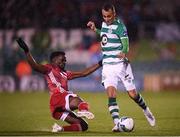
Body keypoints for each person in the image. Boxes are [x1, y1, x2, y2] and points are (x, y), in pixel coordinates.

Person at [87, 3, 155, 132]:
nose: (106, 19)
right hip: (107, 65)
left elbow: (126, 44)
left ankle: (146, 110)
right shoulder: (103, 24)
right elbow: (105, 36)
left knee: (133, 94)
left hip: (120, 65)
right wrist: (95, 29)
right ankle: (118, 123)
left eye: (109, 16)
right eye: (104, 16)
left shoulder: (120, 27)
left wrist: (124, 51)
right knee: (111, 95)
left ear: (114, 14)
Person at [16, 38, 102, 132]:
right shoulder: (49, 68)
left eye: (65, 60)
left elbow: (84, 73)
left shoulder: (65, 73)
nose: (64, 62)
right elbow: (35, 66)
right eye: (62, 59)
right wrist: (27, 51)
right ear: (54, 59)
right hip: (58, 96)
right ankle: (83, 110)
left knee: (83, 125)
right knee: (80, 101)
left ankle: (60, 129)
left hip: (57, 106)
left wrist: (100, 63)